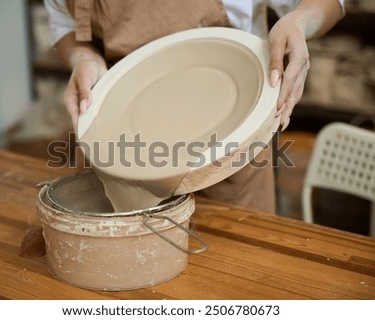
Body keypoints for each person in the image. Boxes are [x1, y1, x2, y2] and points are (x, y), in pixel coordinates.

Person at [44, 0, 345, 214]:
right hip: (120, 131)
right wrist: (82, 57)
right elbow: (66, 27)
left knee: (231, 279)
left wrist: (298, 22)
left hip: (228, 140)